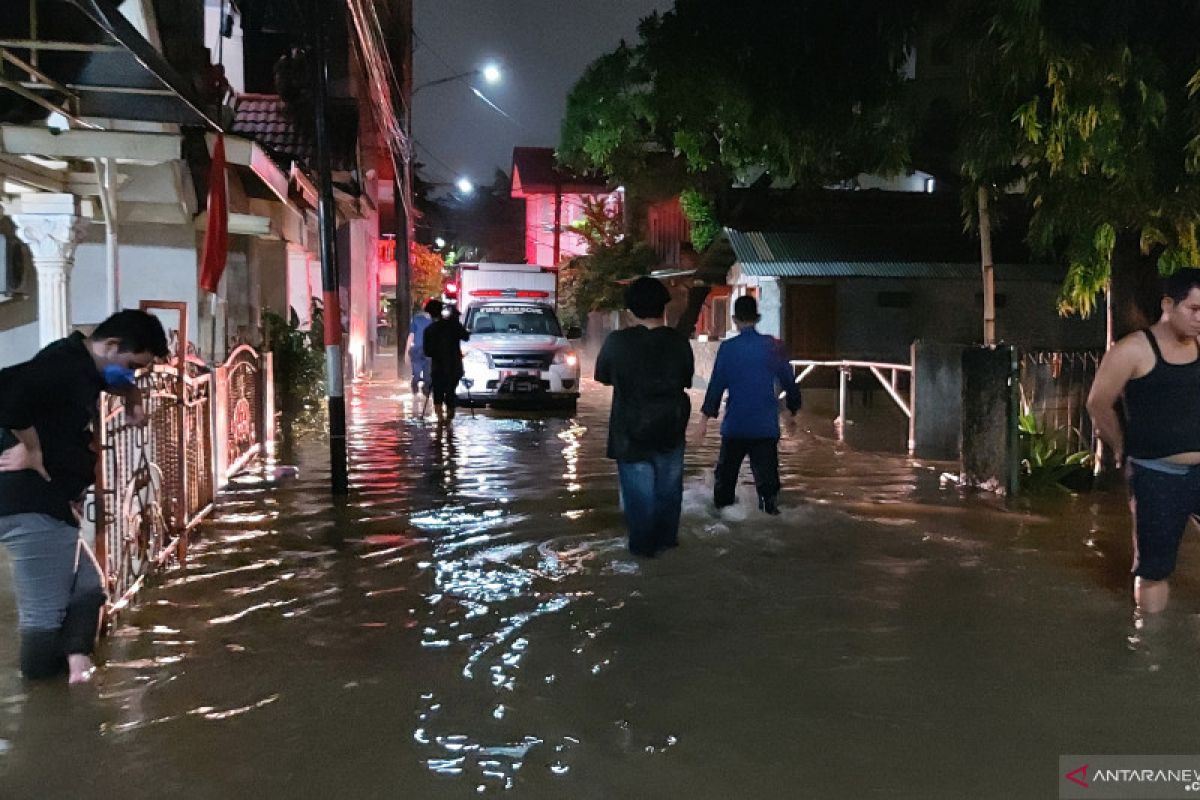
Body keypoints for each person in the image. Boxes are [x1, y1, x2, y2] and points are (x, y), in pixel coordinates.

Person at [0, 309, 168, 682]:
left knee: (89, 585)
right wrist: (32, 449)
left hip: (51, 503)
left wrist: (133, 398)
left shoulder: (84, 364)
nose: (131, 375)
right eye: (131, 364)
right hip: (32, 504)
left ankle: (76, 667)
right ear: (110, 346)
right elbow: (6, 395)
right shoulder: (65, 366)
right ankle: (42, 699)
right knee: (43, 616)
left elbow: (116, 381)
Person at [1087, 267, 1200, 615]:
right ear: (1168, 304)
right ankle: (1150, 651)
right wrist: (1121, 447)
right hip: (1156, 473)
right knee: (1154, 568)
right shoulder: (1132, 350)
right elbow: (1097, 403)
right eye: (1194, 309)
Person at [596, 277, 694, 557]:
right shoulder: (679, 343)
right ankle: (668, 553)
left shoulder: (617, 342)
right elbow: (686, 380)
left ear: (629, 312)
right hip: (671, 431)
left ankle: (643, 558)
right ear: (664, 308)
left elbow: (602, 376)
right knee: (668, 495)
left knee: (639, 502)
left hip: (630, 433)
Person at [697, 296, 801, 516]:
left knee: (724, 487)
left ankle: (723, 522)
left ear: (734, 319)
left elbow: (716, 386)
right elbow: (790, 383)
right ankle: (769, 516)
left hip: (735, 426)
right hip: (765, 427)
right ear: (758, 318)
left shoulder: (728, 349)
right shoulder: (774, 346)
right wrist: (791, 411)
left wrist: (703, 422)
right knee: (768, 490)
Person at [422, 303, 470, 424]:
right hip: (455, 367)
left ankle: (440, 421)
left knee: (438, 392)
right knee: (450, 391)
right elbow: (466, 336)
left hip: (438, 368)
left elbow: (427, 352)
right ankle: (449, 420)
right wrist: (456, 320)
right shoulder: (453, 326)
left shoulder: (429, 330)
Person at [407, 299, 439, 413]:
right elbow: (411, 335)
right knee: (417, 374)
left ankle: (425, 399)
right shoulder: (417, 319)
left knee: (427, 377)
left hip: (427, 352)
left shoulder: (435, 321)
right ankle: (417, 394)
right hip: (418, 351)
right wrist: (407, 352)